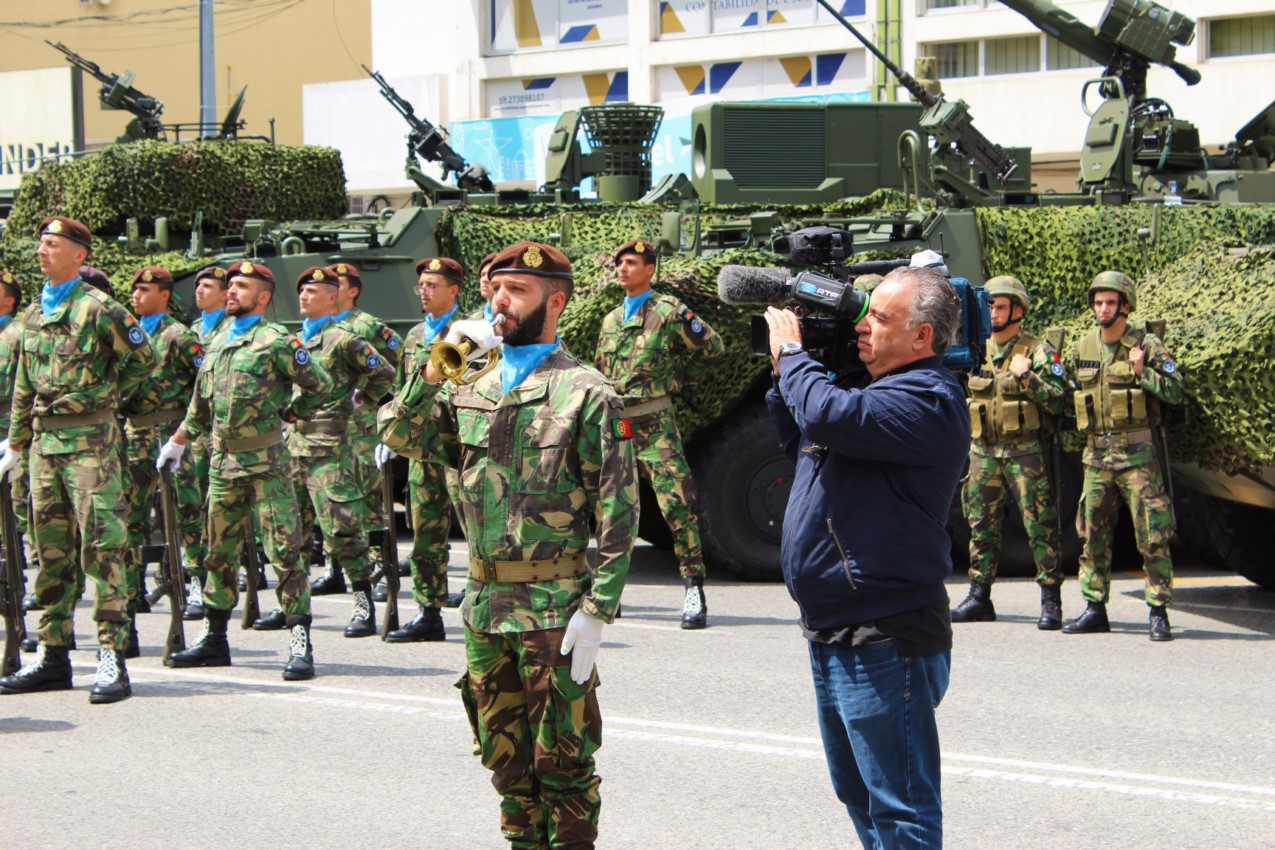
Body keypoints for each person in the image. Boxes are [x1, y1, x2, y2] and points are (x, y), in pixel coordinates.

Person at [378, 240, 637, 849]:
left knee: (564, 767)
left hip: (554, 607)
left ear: (557, 302)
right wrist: (443, 360)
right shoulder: (472, 375)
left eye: (516, 290)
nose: (499, 300)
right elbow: (397, 431)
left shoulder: (588, 391)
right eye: (495, 287)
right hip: (485, 604)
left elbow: (619, 510)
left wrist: (598, 610)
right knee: (507, 765)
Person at [763, 265, 968, 849]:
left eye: (880, 318)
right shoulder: (873, 395)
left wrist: (795, 356)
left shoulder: (930, 398)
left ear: (922, 337)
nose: (863, 327)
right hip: (833, 627)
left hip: (884, 633)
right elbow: (801, 433)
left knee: (901, 809)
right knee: (859, 795)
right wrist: (783, 373)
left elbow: (827, 415)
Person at [0, 216, 158, 704]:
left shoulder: (99, 308)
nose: (43, 251)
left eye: (53, 244)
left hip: (92, 445)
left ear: (79, 255)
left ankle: (112, 658)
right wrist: (15, 442)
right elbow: (24, 384)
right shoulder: (32, 315)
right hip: (44, 449)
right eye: (42, 244)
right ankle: (53, 656)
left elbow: (143, 359)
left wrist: (104, 400)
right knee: (51, 552)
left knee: (103, 547)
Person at [156, 259, 331, 680]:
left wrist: (291, 415)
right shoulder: (214, 341)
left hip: (268, 463)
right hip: (222, 463)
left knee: (285, 551)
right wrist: (178, 441)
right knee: (218, 552)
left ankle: (299, 641)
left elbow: (320, 385)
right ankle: (215, 639)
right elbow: (200, 405)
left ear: (264, 297)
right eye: (231, 284)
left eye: (242, 286)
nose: (231, 290)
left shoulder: (275, 341)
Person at [253, 266, 392, 638]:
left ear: (333, 298)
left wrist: (361, 399)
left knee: (342, 530)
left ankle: (363, 603)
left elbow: (384, 373)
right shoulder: (292, 341)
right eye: (302, 291)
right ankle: (290, 607)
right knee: (288, 534)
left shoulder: (344, 340)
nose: (304, 297)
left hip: (330, 448)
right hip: (290, 448)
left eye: (313, 292)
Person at [593, 238, 723, 629]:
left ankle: (693, 589)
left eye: (631, 263)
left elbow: (712, 346)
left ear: (650, 269)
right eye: (619, 263)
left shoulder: (668, 311)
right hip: (619, 424)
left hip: (655, 424)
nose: (622, 269)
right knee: (613, 510)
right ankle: (609, 594)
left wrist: (679, 380)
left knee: (678, 506)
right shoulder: (611, 319)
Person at [1065, 270, 1184, 641]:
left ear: (1125, 306)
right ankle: (1095, 607)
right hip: (1096, 458)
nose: (1102, 308)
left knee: (1152, 537)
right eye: (1098, 302)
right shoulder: (1083, 348)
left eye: (1110, 302)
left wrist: (1142, 372)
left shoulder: (1147, 345)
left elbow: (1176, 390)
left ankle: (1158, 610)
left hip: (1138, 458)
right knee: (1092, 537)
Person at [952, 275, 1068, 629]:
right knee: (981, 526)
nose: (993, 313)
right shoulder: (974, 349)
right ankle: (979, 596)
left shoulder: (1037, 350)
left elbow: (1059, 399)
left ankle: (1051, 600)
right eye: (989, 306)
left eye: (1000, 306)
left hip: (1025, 453)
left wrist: (1027, 378)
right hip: (983, 451)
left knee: (1040, 526)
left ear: (1018, 310)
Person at [377, 256, 465, 642]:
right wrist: (391, 436)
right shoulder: (414, 336)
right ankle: (429, 611)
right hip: (420, 449)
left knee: (477, 527)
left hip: (458, 445)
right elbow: (401, 391)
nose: (425, 292)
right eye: (421, 286)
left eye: (433, 285)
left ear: (454, 290)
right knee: (426, 530)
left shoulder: (470, 331)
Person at [122, 266, 204, 653]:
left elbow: (204, 385)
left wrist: (186, 433)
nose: (137, 295)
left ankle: (197, 584)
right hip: (135, 434)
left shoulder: (180, 336)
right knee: (132, 514)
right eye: (135, 289)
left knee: (186, 512)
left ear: (165, 295)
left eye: (145, 289)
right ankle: (134, 586)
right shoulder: (129, 332)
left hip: (170, 433)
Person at [311, 261, 403, 597]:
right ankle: (334, 567)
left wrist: (372, 397)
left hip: (361, 424)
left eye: (339, 284)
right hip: (329, 428)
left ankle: (379, 568)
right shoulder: (319, 329)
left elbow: (399, 358)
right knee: (331, 499)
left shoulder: (367, 325)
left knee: (366, 495)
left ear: (351, 291)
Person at [183, 264, 232, 619]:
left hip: (230, 433)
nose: (200, 290)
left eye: (208, 285)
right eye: (198, 285)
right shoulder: (192, 331)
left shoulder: (235, 329)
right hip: (199, 432)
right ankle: (198, 575)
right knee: (195, 505)